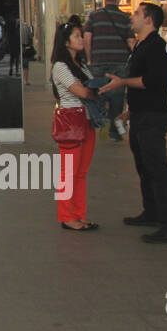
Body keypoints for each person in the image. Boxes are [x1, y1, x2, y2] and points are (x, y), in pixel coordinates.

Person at [99, 2, 167, 243]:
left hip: (153, 116)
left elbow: (154, 82)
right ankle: (152, 211)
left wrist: (122, 83)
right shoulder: (141, 46)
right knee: (144, 167)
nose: (131, 17)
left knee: (158, 169)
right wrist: (129, 111)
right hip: (140, 114)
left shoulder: (157, 47)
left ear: (148, 20)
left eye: (136, 13)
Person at [51, 22, 100, 231]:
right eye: (78, 36)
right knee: (68, 173)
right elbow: (82, 91)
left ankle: (79, 213)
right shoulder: (60, 66)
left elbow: (89, 87)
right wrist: (93, 91)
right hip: (71, 121)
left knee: (81, 172)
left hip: (86, 120)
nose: (82, 39)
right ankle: (66, 215)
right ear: (66, 41)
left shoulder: (80, 64)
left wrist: (91, 89)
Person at [84, 0, 135, 143]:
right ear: (119, 0)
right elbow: (131, 42)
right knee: (118, 96)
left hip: (98, 60)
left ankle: (100, 120)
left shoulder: (94, 16)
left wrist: (89, 59)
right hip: (119, 61)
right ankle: (114, 131)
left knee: (98, 92)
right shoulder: (125, 17)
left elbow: (87, 38)